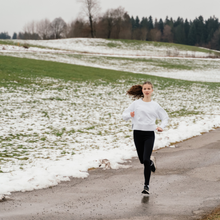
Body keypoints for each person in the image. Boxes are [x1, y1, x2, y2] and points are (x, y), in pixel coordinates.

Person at [122, 81, 169, 195]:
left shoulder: (155, 105)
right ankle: (151, 163)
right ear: (142, 91)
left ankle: (146, 185)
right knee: (143, 160)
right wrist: (130, 115)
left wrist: (161, 127)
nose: (147, 90)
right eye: (145, 89)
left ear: (152, 91)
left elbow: (165, 117)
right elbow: (124, 115)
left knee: (146, 159)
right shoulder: (136, 104)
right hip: (137, 133)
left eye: (149, 88)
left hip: (149, 134)